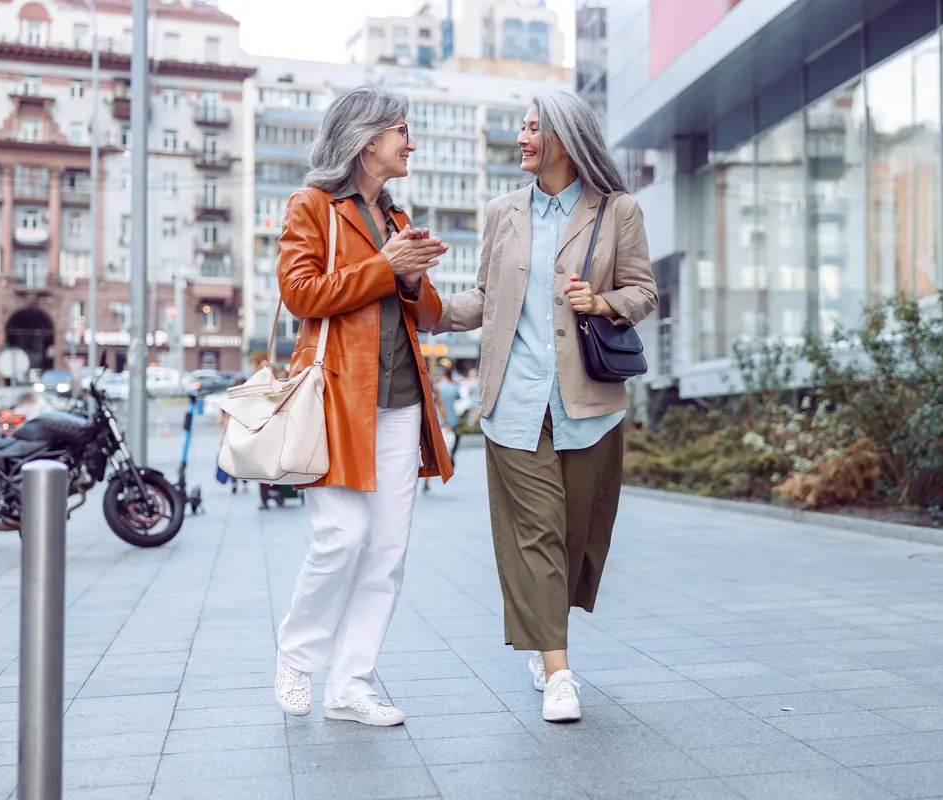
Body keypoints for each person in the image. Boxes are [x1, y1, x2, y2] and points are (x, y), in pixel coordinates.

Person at [434, 90, 657, 722]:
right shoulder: (502, 211)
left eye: (532, 128)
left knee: (575, 535)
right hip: (515, 399)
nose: (522, 138)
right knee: (537, 533)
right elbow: (483, 296)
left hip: (588, 402)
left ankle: (544, 635)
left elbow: (643, 290)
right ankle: (560, 672)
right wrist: (426, 307)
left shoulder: (618, 211)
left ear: (562, 137)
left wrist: (605, 302)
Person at [272, 86, 454, 727]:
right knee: (342, 537)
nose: (412, 141)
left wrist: (409, 276)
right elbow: (301, 293)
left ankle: (351, 684)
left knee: (387, 550)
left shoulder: (399, 221)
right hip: (334, 400)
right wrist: (385, 266)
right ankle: (297, 655)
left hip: (401, 401)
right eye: (402, 129)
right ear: (365, 137)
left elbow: (426, 314)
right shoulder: (312, 207)